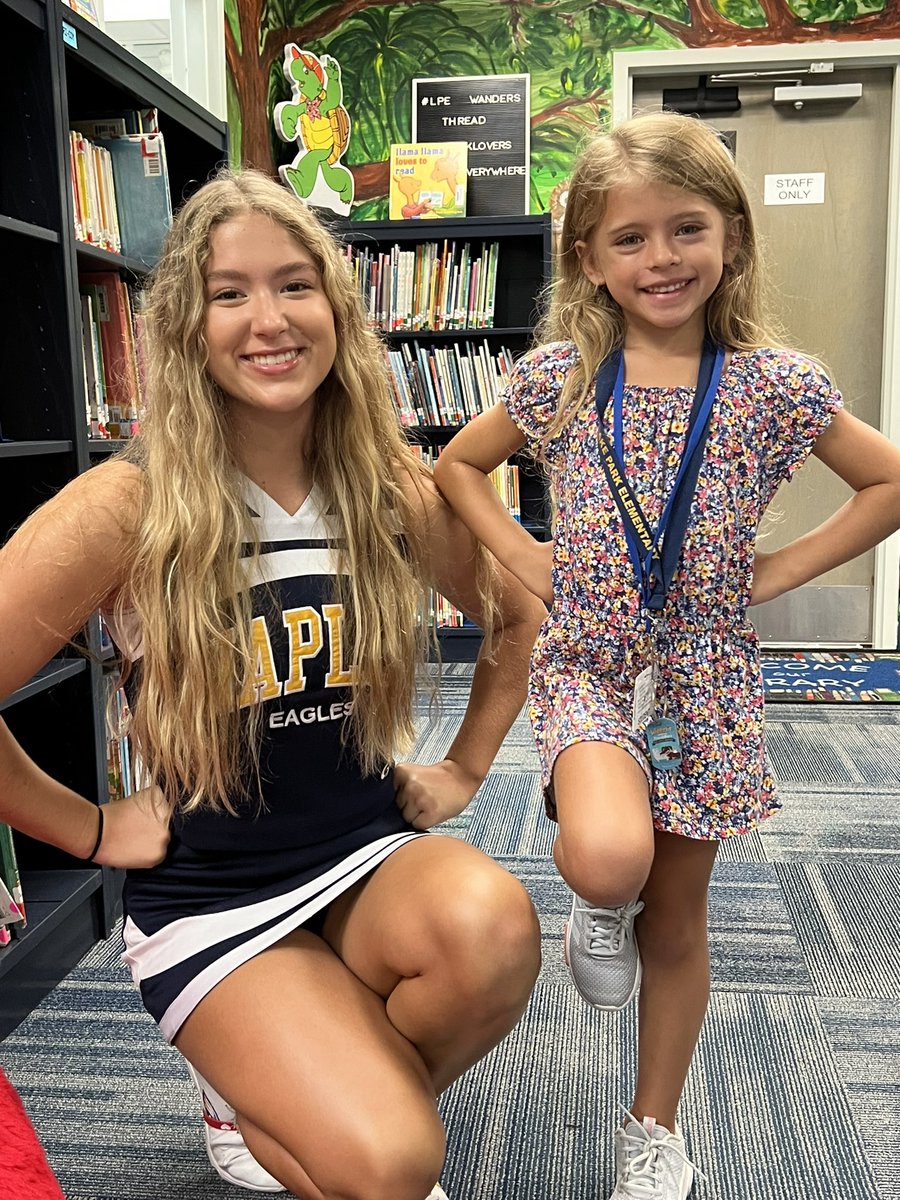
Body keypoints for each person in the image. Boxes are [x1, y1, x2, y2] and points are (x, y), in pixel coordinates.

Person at [0, 168, 547, 1200]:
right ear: (186, 325)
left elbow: (518, 609)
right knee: (394, 1163)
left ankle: (307, 1086)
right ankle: (275, 1083)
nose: (269, 320)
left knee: (495, 929)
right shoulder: (127, 503)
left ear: (336, 308)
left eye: (294, 285)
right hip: (211, 892)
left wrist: (469, 765)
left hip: (358, 849)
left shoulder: (385, 481)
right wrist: (83, 826)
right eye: (229, 293)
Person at [432, 111, 900, 1200]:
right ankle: (599, 902)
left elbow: (887, 481)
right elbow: (458, 466)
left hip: (705, 679)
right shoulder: (559, 378)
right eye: (628, 238)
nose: (660, 259)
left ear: (732, 235)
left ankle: (656, 1129)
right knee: (608, 858)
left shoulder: (774, 382)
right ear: (586, 258)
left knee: (679, 923)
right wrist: (523, 554)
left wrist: (779, 572)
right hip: (592, 661)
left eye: (684, 229)